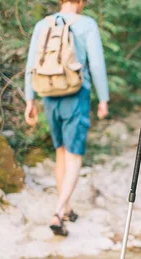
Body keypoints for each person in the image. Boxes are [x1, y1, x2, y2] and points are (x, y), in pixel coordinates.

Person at [24, 0, 109, 237]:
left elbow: (31, 64)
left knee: (61, 151)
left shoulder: (43, 24)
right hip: (76, 94)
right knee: (74, 155)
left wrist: (29, 100)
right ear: (81, 2)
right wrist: (103, 99)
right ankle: (59, 212)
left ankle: (67, 206)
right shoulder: (87, 24)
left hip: (49, 94)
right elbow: (97, 64)